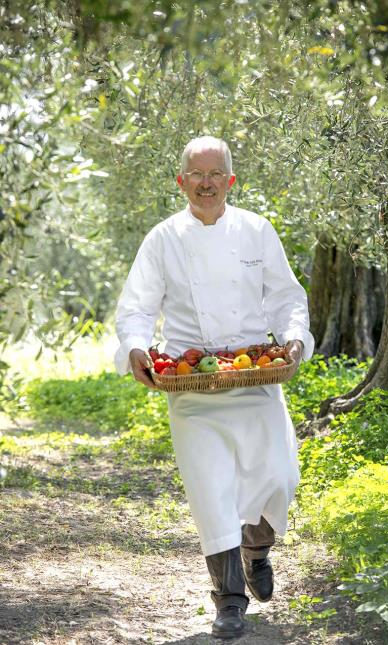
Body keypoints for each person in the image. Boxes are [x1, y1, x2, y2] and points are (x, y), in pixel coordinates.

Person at [114, 136, 314, 639]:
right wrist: (137, 346)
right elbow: (137, 306)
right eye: (195, 174)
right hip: (193, 385)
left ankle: (257, 548)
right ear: (181, 181)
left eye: (215, 174)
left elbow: (287, 296)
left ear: (231, 180)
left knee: (280, 475)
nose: (206, 183)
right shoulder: (162, 239)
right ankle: (229, 600)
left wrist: (293, 338)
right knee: (210, 491)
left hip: (255, 376)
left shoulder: (256, 230)